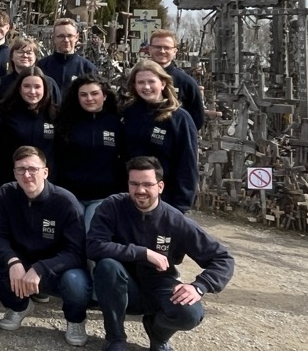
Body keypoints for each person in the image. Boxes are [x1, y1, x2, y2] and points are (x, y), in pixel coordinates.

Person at [88, 156, 235, 351]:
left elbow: (223, 259)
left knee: (190, 314)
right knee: (107, 266)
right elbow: (93, 246)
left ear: (160, 186)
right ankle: (115, 339)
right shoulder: (112, 206)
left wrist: (199, 286)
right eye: (134, 184)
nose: (140, 190)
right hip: (120, 283)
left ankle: (158, 333)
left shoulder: (175, 221)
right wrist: (143, 253)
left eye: (147, 184)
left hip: (158, 282)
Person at [0, 146, 92, 347]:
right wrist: (12, 261)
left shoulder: (66, 202)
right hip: (21, 264)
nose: (27, 175)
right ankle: (19, 306)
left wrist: (41, 268)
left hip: (54, 269)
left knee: (77, 281)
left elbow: (76, 252)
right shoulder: (7, 193)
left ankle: (75, 319)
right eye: (20, 169)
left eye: (33, 169)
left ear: (45, 172)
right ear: (14, 173)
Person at [120, 60, 199, 212]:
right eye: (141, 82)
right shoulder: (128, 113)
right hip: (129, 196)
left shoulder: (179, 118)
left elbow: (187, 163)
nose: (146, 87)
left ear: (163, 83)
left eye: (151, 81)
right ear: (134, 86)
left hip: (165, 199)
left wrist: (181, 205)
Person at [52, 75, 125, 227]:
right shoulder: (65, 122)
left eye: (94, 93)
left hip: (103, 196)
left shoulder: (117, 122)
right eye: (83, 95)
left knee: (90, 236)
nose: (89, 98)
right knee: (73, 237)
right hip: (71, 194)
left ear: (104, 96)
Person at [0, 66, 57, 186]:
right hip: (13, 182)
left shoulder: (56, 115)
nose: (32, 91)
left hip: (47, 184)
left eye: (37, 87)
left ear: (45, 88)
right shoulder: (4, 113)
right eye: (27, 86)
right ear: (19, 89)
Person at [146, 30, 205, 137]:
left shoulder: (186, 82)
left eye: (167, 48)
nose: (162, 51)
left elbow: (197, 119)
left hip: (174, 145)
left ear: (175, 51)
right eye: (157, 47)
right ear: (149, 49)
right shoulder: (136, 79)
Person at [39, 18, 98, 96]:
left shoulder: (87, 68)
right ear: (54, 38)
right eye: (61, 36)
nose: (66, 40)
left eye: (70, 36)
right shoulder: (42, 66)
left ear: (76, 37)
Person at [0, 36, 61, 105]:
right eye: (20, 52)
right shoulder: (2, 83)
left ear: (35, 57)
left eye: (29, 53)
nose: (24, 55)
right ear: (11, 57)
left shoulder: (49, 83)